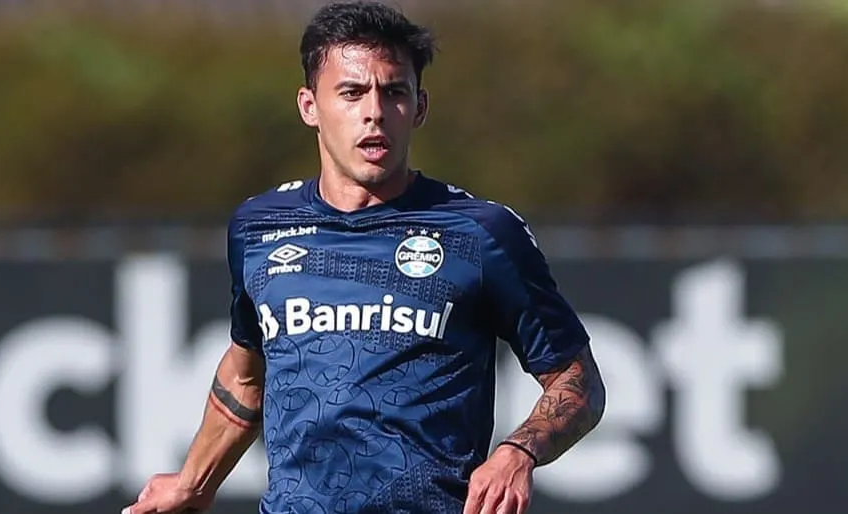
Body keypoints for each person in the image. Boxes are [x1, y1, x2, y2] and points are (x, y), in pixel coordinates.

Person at [124, 2, 605, 513]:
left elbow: (578, 381)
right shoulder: (258, 227)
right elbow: (248, 371)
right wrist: (194, 482)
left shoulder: (481, 233)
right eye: (351, 92)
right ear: (309, 106)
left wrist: (518, 452)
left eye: (394, 92)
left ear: (419, 107)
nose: (374, 111)